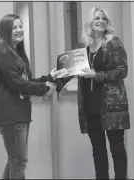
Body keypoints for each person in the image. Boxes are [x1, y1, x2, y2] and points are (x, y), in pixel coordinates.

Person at [55, 7, 130, 179]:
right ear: (90, 21)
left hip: (112, 106)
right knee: (98, 151)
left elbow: (122, 70)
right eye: (97, 18)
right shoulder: (83, 45)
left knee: (117, 149)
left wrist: (96, 75)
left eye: (104, 18)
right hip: (90, 104)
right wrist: (52, 84)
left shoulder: (114, 42)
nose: (101, 21)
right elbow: (69, 70)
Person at [0, 14, 57, 179]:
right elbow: (16, 83)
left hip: (18, 113)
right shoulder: (3, 51)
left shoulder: (14, 51)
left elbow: (25, 80)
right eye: (15, 27)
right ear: (6, 31)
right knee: (18, 161)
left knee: (15, 161)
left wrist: (48, 78)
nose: (20, 30)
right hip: (10, 114)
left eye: (20, 26)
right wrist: (44, 87)